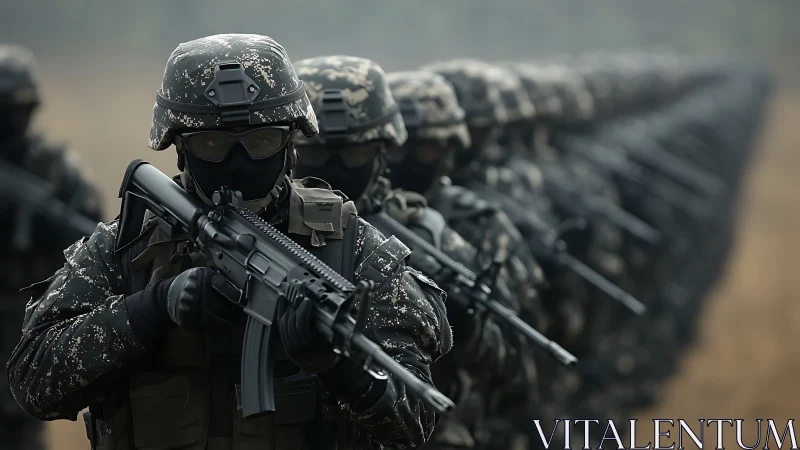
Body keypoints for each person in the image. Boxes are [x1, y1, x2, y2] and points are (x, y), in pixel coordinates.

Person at [7, 34, 452, 450]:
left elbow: (414, 420)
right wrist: (152, 308)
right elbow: (33, 382)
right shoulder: (125, 249)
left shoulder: (350, 247)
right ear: (179, 148)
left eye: (261, 141)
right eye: (213, 144)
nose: (239, 162)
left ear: (290, 144)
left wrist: (342, 367)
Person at [291, 55, 525, 450]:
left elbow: (512, 366)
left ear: (382, 152)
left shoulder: (433, 237)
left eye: (354, 154)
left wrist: (468, 328)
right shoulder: (267, 233)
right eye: (316, 152)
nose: (334, 168)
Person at [0, 44, 103, 450]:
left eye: (15, 108)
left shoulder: (56, 169)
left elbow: (93, 240)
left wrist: (39, 221)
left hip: (24, 328)